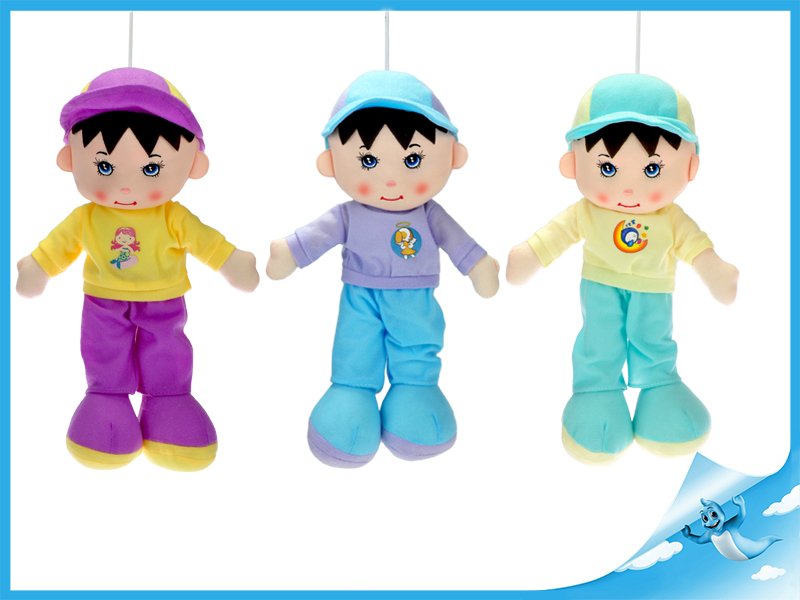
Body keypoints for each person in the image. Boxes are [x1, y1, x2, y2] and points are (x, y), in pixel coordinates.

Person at [16, 67, 259, 471]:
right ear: (70, 159)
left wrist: (231, 261)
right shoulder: (87, 217)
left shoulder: (172, 216)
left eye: (150, 169)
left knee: (167, 348)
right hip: (103, 302)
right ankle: (106, 399)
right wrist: (38, 266)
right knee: (103, 350)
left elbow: (205, 241)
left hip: (163, 301)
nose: (126, 187)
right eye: (105, 168)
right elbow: (59, 245)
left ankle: (168, 401)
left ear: (193, 164)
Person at [267, 70, 499, 468]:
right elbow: (319, 234)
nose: (391, 179)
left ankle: (416, 390)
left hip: (416, 297)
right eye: (369, 160)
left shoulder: (430, 213)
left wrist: (477, 264)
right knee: (356, 343)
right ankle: (351, 393)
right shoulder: (348, 214)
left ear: (453, 156)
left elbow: (456, 240)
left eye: (413, 160)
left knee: (417, 343)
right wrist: (290, 251)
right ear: (330, 162)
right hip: (361, 295)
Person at [506, 73, 738, 464]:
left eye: (652, 170)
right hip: (600, 284)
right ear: (572, 163)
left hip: (654, 288)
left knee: (653, 337)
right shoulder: (587, 212)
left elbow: (694, 244)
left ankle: (660, 387)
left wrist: (713, 268)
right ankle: (597, 393)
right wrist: (531, 255)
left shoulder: (671, 218)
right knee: (600, 338)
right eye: (608, 169)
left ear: (690, 166)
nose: (628, 188)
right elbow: (556, 235)